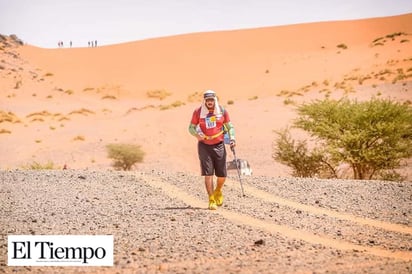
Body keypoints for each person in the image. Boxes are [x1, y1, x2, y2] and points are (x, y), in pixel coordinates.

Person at [189, 90, 236, 210]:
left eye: (211, 99)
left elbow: (230, 126)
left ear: (215, 99)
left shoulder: (222, 111)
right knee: (208, 174)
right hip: (204, 145)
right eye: (207, 100)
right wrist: (197, 135)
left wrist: (232, 139)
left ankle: (218, 190)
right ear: (204, 101)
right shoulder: (198, 112)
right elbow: (191, 127)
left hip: (219, 144)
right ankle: (211, 199)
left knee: (222, 174)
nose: (209, 102)